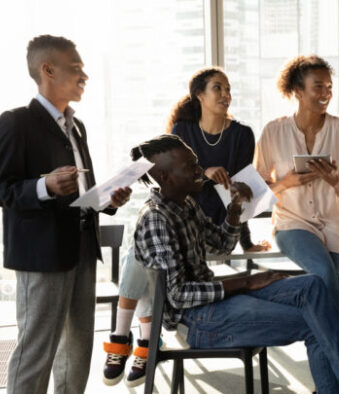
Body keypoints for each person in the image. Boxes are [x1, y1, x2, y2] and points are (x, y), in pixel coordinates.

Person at [131, 134, 339, 394]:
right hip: (195, 321)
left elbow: (223, 245)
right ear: (163, 176)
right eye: (190, 167)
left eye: (196, 163)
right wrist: (246, 282)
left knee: (314, 287)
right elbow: (179, 295)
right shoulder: (156, 219)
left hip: (215, 303)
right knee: (314, 321)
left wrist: (235, 207)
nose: (199, 171)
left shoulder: (186, 204)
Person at [101, 66, 270, 387]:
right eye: (217, 88)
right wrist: (204, 173)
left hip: (211, 224)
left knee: (144, 247)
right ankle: (142, 341)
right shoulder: (183, 130)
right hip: (178, 215)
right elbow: (170, 171)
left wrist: (244, 238)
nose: (226, 94)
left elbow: (244, 187)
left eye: (228, 88)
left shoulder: (242, 134)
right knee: (150, 246)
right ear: (199, 96)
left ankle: (129, 337)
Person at [0, 35, 131, 394]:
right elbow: (2, 190)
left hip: (82, 248)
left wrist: (110, 198)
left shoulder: (77, 126)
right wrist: (45, 187)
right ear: (47, 69)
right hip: (42, 256)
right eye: (76, 69)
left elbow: (85, 191)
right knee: (36, 352)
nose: (84, 77)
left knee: (77, 351)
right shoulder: (15, 122)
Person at [254, 55, 339, 315]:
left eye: (329, 87)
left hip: (337, 228)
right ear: (298, 91)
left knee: (320, 292)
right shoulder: (273, 131)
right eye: (318, 87)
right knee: (325, 274)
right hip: (293, 225)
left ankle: (322, 348)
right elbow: (257, 191)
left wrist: (334, 180)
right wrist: (287, 182)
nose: (326, 93)